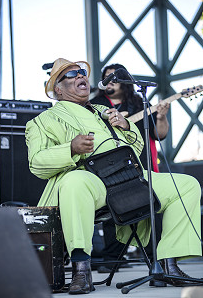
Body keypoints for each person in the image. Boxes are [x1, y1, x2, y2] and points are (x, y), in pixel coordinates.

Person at [25, 58, 202, 295]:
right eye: (72, 74)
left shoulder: (103, 112)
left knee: (187, 185)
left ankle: (170, 264)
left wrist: (127, 126)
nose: (81, 76)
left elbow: (136, 146)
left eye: (82, 73)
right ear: (57, 88)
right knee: (74, 182)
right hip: (90, 179)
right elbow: (36, 163)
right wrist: (71, 148)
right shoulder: (41, 121)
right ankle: (81, 269)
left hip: (128, 177)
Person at [90, 63, 169, 273]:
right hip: (111, 162)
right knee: (113, 204)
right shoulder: (95, 103)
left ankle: (156, 259)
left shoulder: (139, 102)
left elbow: (159, 135)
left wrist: (161, 116)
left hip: (140, 160)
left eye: (114, 78)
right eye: (106, 78)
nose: (110, 82)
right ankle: (112, 257)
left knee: (151, 205)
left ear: (125, 81)